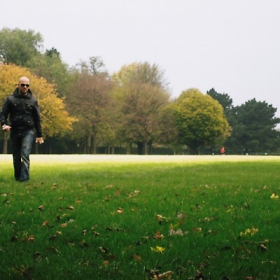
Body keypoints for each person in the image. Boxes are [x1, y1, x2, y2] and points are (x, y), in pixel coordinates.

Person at [0, 76, 44, 182]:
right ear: (18, 85)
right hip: (14, 131)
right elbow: (3, 114)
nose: (25, 87)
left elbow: (37, 118)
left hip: (28, 131)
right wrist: (4, 124)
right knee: (16, 157)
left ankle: (24, 180)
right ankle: (18, 177)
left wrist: (39, 134)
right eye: (23, 85)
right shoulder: (10, 99)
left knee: (25, 155)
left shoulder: (33, 100)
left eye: (27, 85)